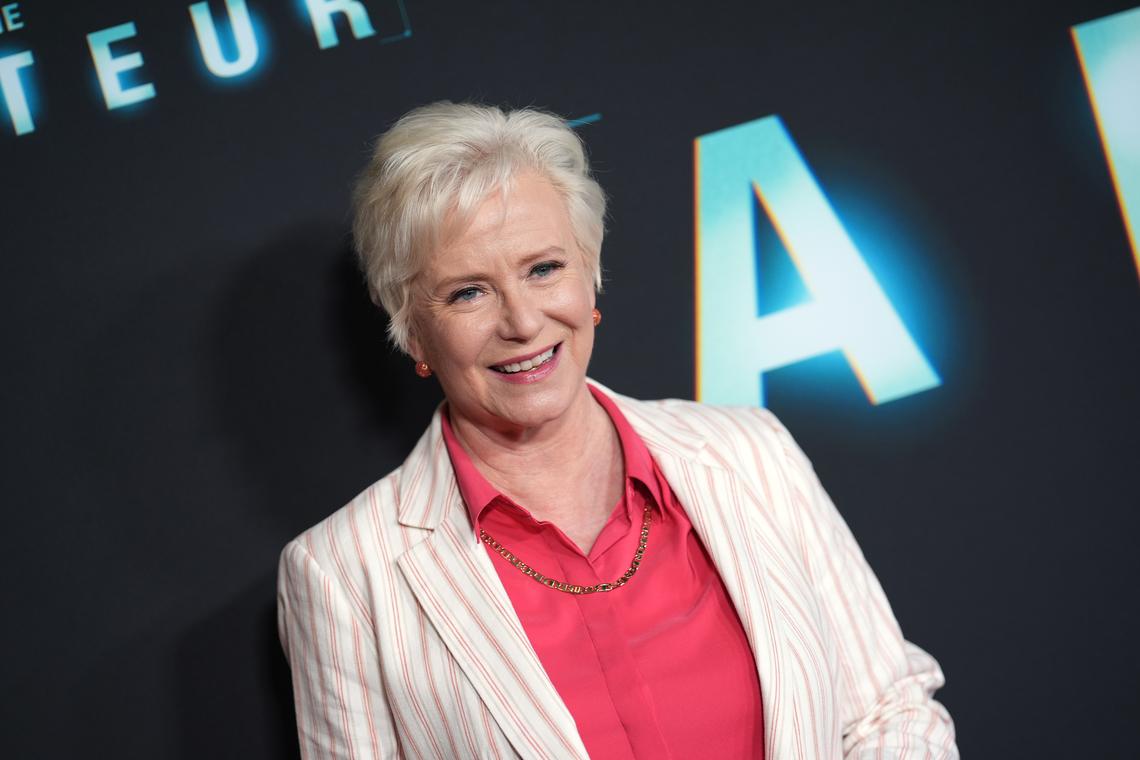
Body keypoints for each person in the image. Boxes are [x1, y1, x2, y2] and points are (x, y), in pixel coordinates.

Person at [276, 101, 957, 760]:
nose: (522, 321)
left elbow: (888, 709)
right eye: (468, 292)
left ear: (590, 278)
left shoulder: (748, 452)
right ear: (412, 330)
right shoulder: (342, 573)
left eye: (544, 269)